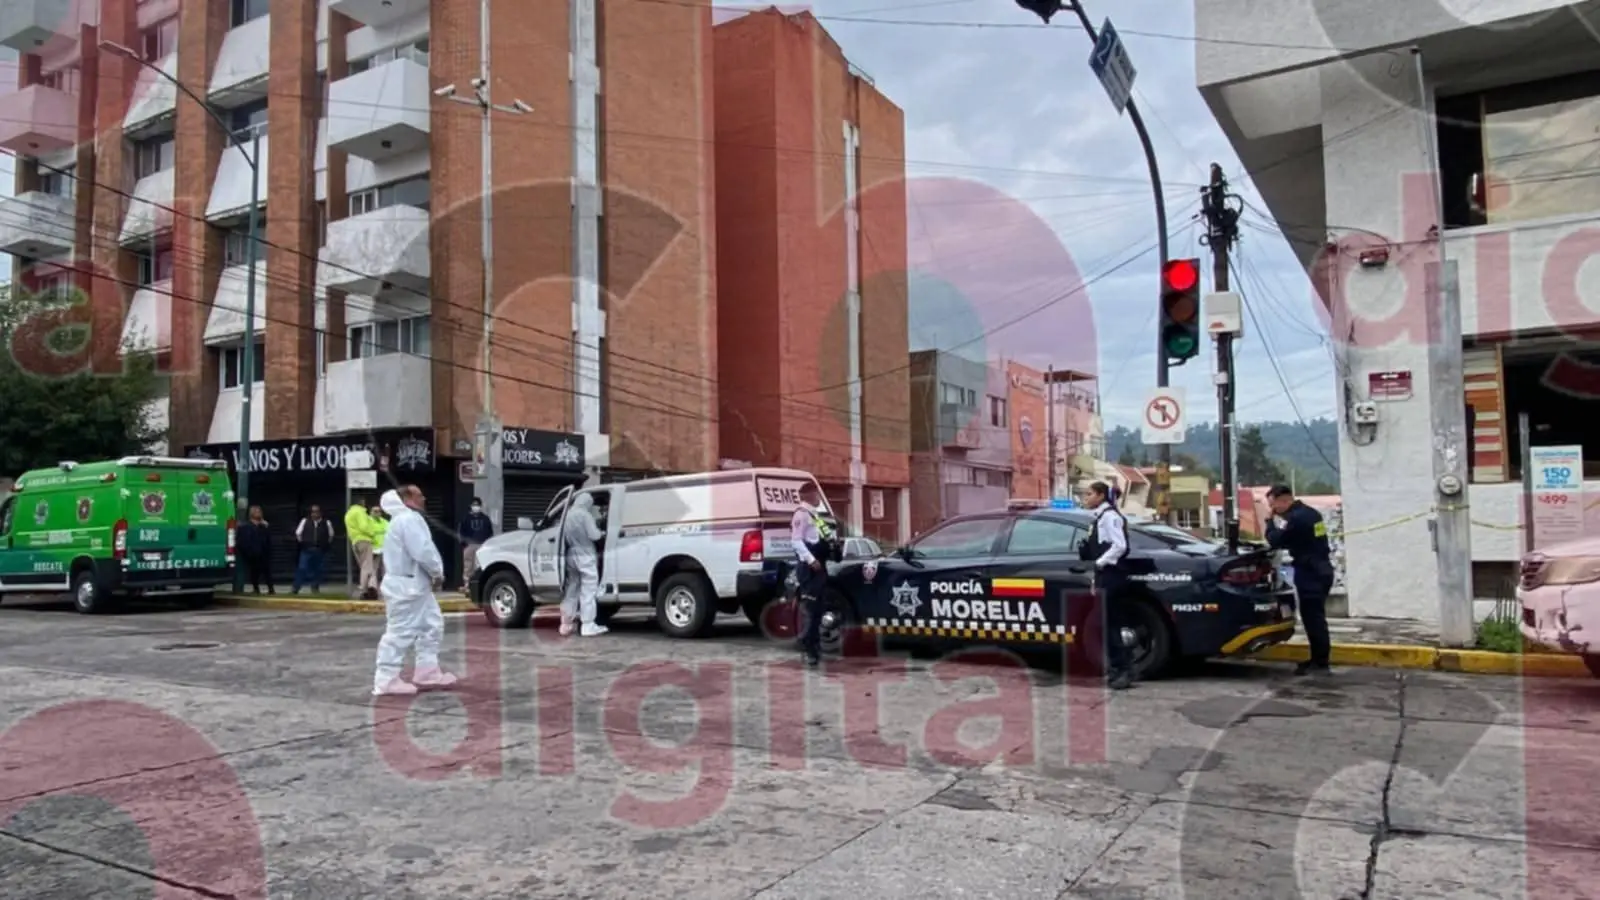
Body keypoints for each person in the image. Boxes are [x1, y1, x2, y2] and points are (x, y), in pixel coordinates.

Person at [373, 486, 455, 696]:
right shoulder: (408, 520)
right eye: (419, 495)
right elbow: (423, 550)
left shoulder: (402, 520)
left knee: (431, 625)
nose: (424, 498)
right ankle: (386, 679)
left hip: (413, 586)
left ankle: (427, 671)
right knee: (400, 631)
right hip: (407, 588)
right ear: (407, 498)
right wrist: (437, 572)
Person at [1265, 485, 1335, 676]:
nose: (1273, 510)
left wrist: (1269, 522)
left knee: (1314, 619)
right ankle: (1317, 659)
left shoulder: (1297, 519)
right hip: (1321, 569)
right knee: (1314, 617)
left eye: (1273, 506)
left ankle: (1320, 662)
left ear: (1284, 500)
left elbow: (1275, 540)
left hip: (1311, 572)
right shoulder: (1311, 513)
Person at [1082, 480, 1134, 690]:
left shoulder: (1110, 517)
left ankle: (1123, 670)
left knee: (1112, 625)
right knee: (1107, 624)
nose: (1086, 498)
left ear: (1101, 495)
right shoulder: (1100, 517)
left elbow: (1120, 546)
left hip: (1112, 575)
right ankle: (1116, 668)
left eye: (1089, 494)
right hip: (1105, 576)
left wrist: (1100, 562)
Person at [791, 482, 839, 668]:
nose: (819, 497)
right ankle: (808, 647)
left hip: (820, 567)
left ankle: (815, 646)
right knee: (811, 610)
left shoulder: (815, 516)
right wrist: (811, 560)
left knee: (818, 610)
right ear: (808, 495)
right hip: (810, 568)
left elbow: (823, 538)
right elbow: (796, 542)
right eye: (816, 493)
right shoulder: (801, 515)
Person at [560, 493, 607, 637]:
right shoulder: (585, 515)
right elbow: (594, 535)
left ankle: (566, 624)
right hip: (585, 554)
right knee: (588, 589)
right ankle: (588, 625)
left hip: (571, 554)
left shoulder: (567, 515)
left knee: (572, 589)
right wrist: (602, 533)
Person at [292, 504, 334, 594]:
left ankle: (315, 588)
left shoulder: (326, 522)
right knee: (302, 568)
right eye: (313, 512)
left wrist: (324, 544)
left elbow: (330, 535)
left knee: (318, 569)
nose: (315, 514)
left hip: (319, 550)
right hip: (307, 549)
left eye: (317, 512)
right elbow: (298, 533)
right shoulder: (305, 521)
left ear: (320, 513)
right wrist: (304, 543)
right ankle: (296, 587)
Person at [459, 497, 495, 589]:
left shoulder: (485, 519)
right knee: (468, 565)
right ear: (471, 506)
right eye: (474, 505)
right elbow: (461, 532)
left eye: (477, 505)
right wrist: (464, 544)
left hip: (482, 545)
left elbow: (490, 532)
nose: (476, 507)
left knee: (480, 565)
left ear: (481, 506)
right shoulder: (466, 519)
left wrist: (487, 544)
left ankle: (479, 584)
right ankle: (467, 584)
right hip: (469, 545)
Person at [345, 497, 377, 600]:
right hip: (364, 539)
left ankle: (370, 589)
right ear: (361, 503)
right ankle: (363, 590)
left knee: (364, 566)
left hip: (355, 541)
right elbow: (364, 526)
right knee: (367, 567)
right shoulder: (360, 512)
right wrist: (372, 533)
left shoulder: (348, 514)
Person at [237, 506, 274, 594]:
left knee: (267, 572)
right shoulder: (246, 526)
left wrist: (266, 527)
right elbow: (243, 541)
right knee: (254, 572)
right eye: (256, 511)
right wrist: (249, 552)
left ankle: (271, 589)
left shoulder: (263, 526)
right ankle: (256, 589)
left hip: (263, 553)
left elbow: (268, 539)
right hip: (253, 553)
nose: (259, 513)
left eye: (259, 511)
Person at [369, 505, 389, 583]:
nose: (377, 513)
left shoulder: (385, 522)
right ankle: (372, 584)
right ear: (371, 512)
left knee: (385, 567)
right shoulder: (368, 521)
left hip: (384, 548)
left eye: (379, 511)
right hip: (373, 548)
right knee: (374, 567)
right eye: (375, 511)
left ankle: (385, 583)